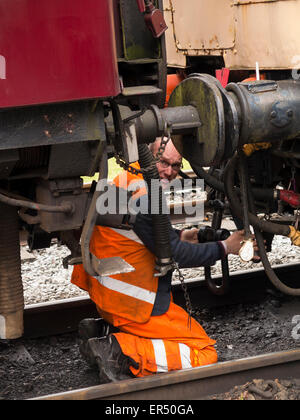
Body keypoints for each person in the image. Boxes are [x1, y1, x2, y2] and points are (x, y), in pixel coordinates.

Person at [71, 138, 247, 383]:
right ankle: (118, 350)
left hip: (109, 298)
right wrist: (226, 247)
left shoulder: (126, 180)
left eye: (176, 165)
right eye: (163, 162)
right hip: (135, 305)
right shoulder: (147, 197)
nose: (170, 171)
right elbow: (176, 255)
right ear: (147, 155)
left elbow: (144, 235)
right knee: (204, 353)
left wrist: (182, 236)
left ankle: (104, 330)